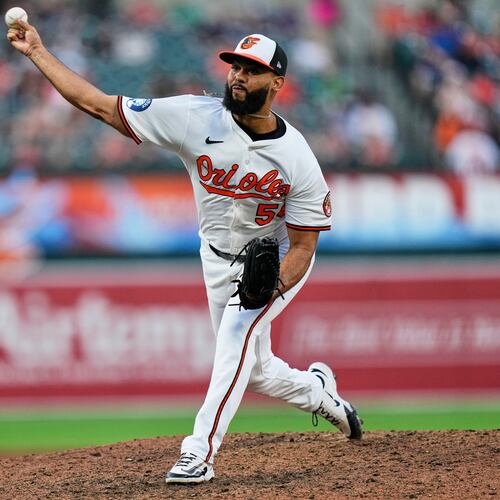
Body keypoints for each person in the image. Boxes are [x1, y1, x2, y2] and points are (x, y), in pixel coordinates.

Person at [7, 20, 363, 484]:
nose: (238, 76)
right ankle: (320, 394)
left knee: (235, 335)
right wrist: (37, 52)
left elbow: (304, 244)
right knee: (253, 371)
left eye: (252, 70)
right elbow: (97, 105)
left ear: (277, 82)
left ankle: (198, 453)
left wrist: (270, 286)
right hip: (215, 258)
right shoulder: (195, 117)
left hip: (274, 261)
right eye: (235, 65)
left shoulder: (297, 158)